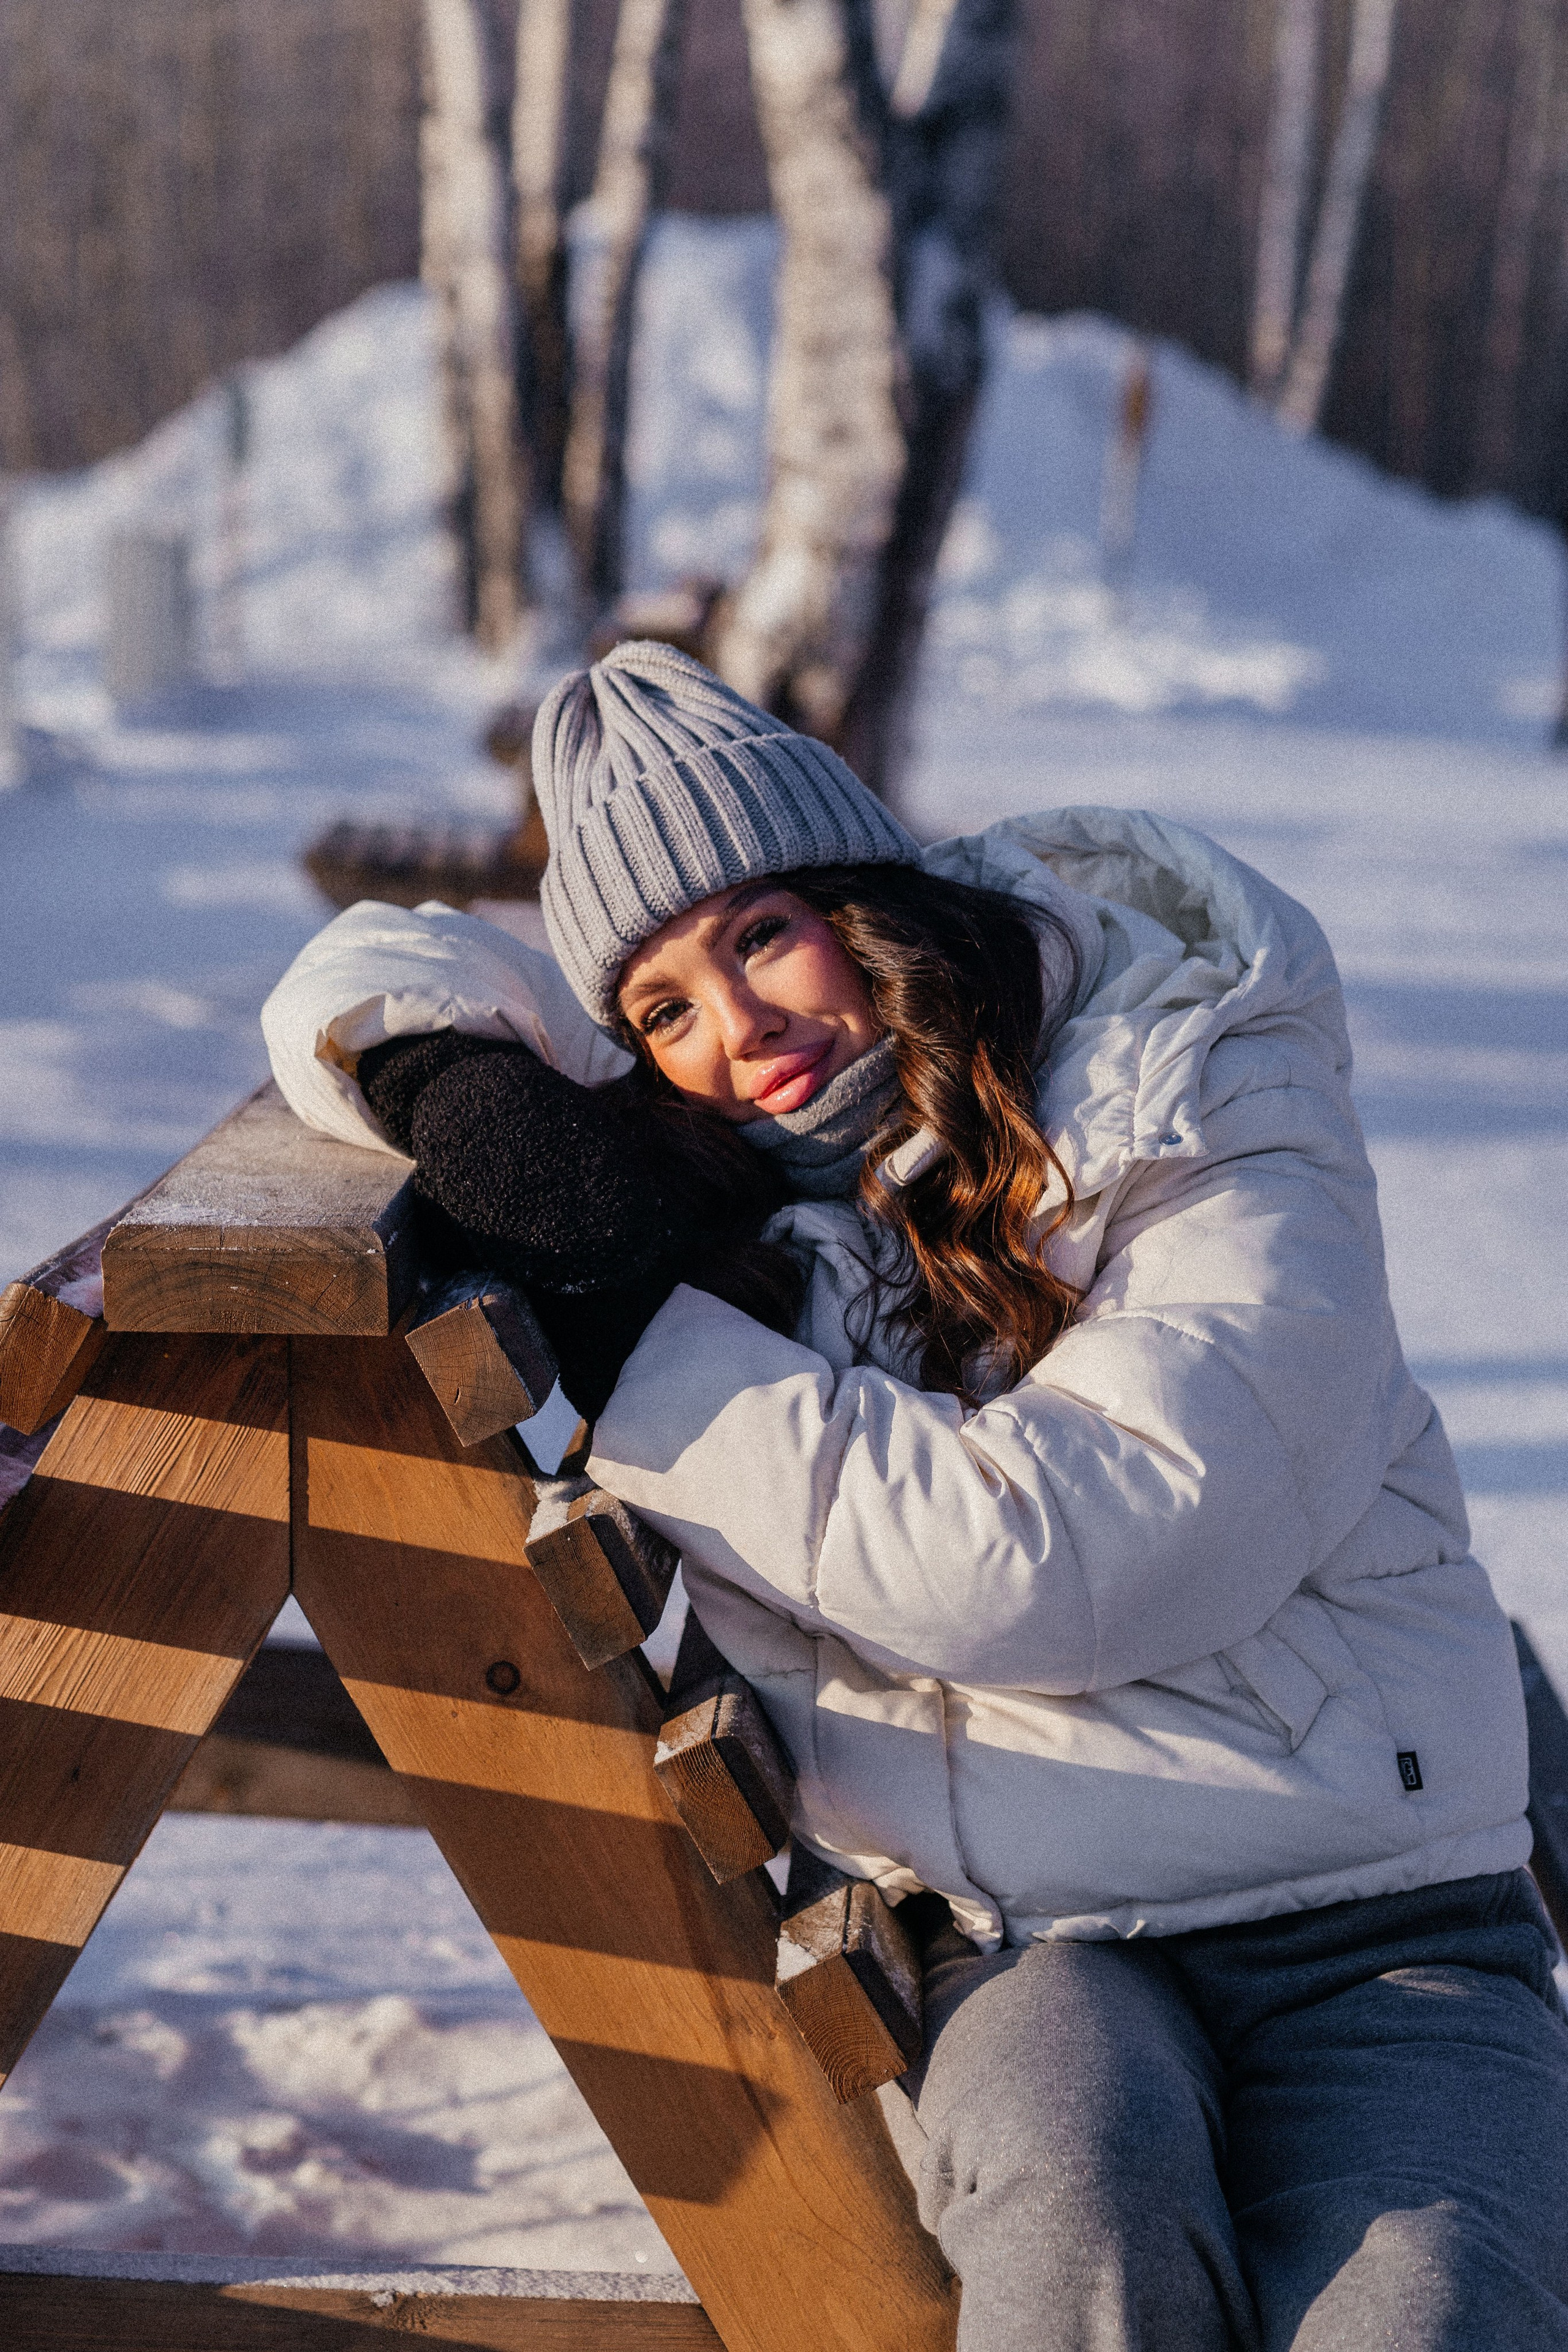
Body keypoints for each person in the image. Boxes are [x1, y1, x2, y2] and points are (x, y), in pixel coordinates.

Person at [263, 641, 1568, 2350]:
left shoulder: (1198, 1081)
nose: (739, 1034)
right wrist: (454, 1087)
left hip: (1377, 1916)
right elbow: (352, 979)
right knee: (1073, 2236)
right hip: (1030, 1939)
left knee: (1428, 2309)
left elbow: (1077, 1553)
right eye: (658, 1010)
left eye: (761, 936)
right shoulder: (736, 1204)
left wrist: (651, 1349)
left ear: (874, 898)